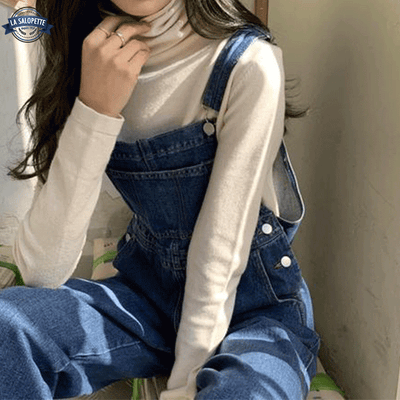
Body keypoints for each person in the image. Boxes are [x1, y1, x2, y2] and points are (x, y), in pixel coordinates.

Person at [1, 0, 320, 398]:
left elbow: (220, 254)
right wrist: (95, 109)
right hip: (145, 297)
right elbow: (41, 272)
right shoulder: (95, 53)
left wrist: (184, 386)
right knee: (6, 324)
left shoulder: (250, 62)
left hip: (253, 311)